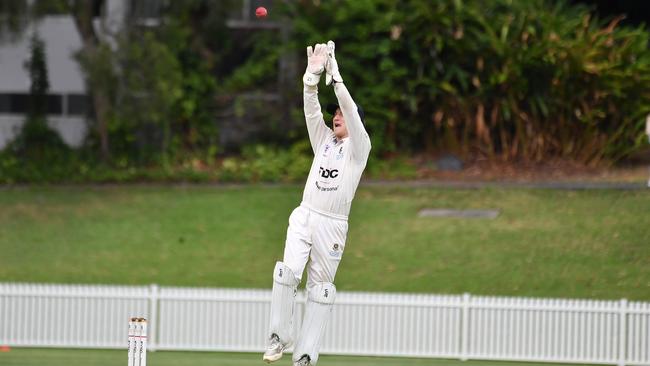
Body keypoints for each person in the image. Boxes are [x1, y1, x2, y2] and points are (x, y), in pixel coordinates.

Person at [262, 41, 371, 366]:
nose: (337, 117)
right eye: (334, 114)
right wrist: (311, 79)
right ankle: (279, 338)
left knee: (321, 291)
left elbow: (351, 110)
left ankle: (305, 355)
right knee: (285, 272)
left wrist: (337, 81)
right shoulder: (323, 139)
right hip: (306, 215)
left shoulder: (359, 150)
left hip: (333, 225)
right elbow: (311, 111)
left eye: (340, 114)